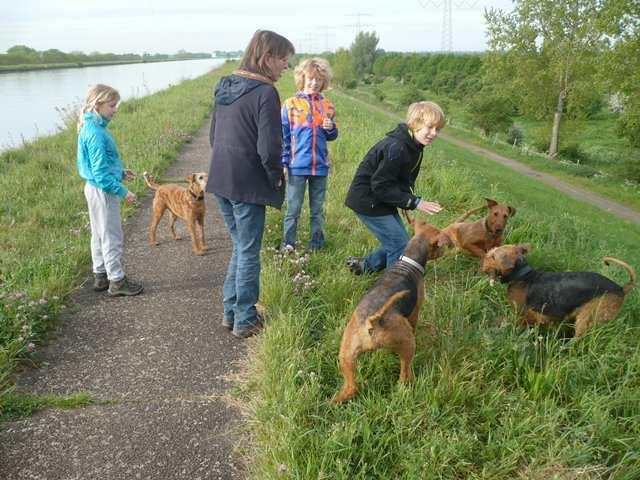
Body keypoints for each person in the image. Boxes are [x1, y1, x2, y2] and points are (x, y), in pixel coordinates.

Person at [206, 30, 295, 338]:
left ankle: (230, 312)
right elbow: (269, 148)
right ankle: (245, 318)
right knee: (248, 251)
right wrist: (276, 176)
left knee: (240, 246)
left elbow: (212, 136)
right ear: (267, 57)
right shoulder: (265, 92)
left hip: (220, 178)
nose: (286, 66)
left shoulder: (225, 85)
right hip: (246, 183)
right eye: (283, 59)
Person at [344, 101, 445, 275]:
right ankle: (391, 289)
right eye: (430, 127)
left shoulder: (416, 146)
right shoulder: (396, 147)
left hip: (382, 200)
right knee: (398, 245)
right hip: (368, 201)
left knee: (402, 242)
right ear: (416, 123)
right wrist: (414, 202)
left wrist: (407, 204)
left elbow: (404, 179)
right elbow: (381, 186)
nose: (434, 133)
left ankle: (364, 266)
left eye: (438, 129)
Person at [77, 84, 143, 297]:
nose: (115, 109)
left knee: (99, 233)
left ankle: (100, 275)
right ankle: (116, 281)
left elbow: (101, 166)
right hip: (102, 190)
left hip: (94, 187)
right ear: (98, 104)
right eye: (112, 105)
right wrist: (123, 191)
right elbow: (100, 172)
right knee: (111, 235)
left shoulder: (90, 126)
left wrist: (121, 173)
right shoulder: (95, 132)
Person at [281, 57, 338, 251]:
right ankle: (288, 244)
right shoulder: (290, 104)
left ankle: (316, 246)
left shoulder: (328, 106)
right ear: (302, 77)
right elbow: (284, 137)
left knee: (317, 211)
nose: (314, 83)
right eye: (311, 78)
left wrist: (331, 128)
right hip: (296, 166)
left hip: (320, 167)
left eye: (319, 80)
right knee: (293, 209)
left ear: (324, 82)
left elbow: (332, 135)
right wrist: (283, 163)